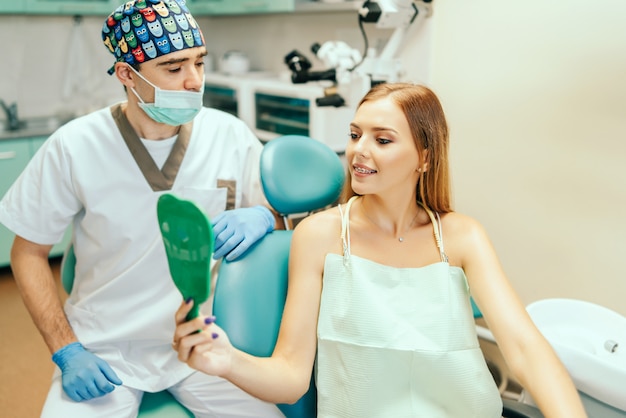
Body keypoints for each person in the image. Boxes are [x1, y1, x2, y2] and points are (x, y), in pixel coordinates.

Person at [172, 82, 589, 417]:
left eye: (382, 140)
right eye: (355, 135)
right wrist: (224, 360)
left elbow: (524, 349)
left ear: (424, 158)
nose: (359, 151)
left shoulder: (462, 237)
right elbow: (290, 376)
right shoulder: (319, 236)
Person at [0, 0, 284, 417]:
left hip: (202, 338)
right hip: (104, 345)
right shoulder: (75, 145)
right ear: (126, 74)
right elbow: (28, 252)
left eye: (199, 63)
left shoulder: (228, 134)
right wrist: (66, 349)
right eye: (174, 68)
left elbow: (280, 216)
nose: (194, 81)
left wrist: (264, 217)